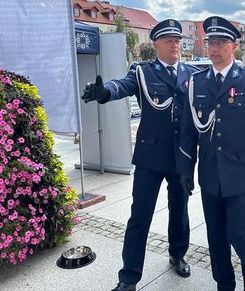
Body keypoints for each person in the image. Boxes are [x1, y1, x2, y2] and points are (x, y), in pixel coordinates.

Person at [81, 19, 199, 291]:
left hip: (181, 156)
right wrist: (104, 92)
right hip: (150, 157)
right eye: (168, 40)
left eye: (178, 40)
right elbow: (122, 85)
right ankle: (129, 277)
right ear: (155, 44)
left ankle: (177, 254)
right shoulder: (143, 72)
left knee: (179, 210)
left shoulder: (192, 74)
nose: (175, 44)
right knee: (139, 216)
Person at [177, 16, 245, 291]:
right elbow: (189, 131)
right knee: (215, 236)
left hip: (242, 172)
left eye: (221, 42)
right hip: (211, 173)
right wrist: (185, 169)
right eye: (211, 42)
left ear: (234, 46)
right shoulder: (197, 83)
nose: (214, 48)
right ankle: (224, 283)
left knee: (239, 232)